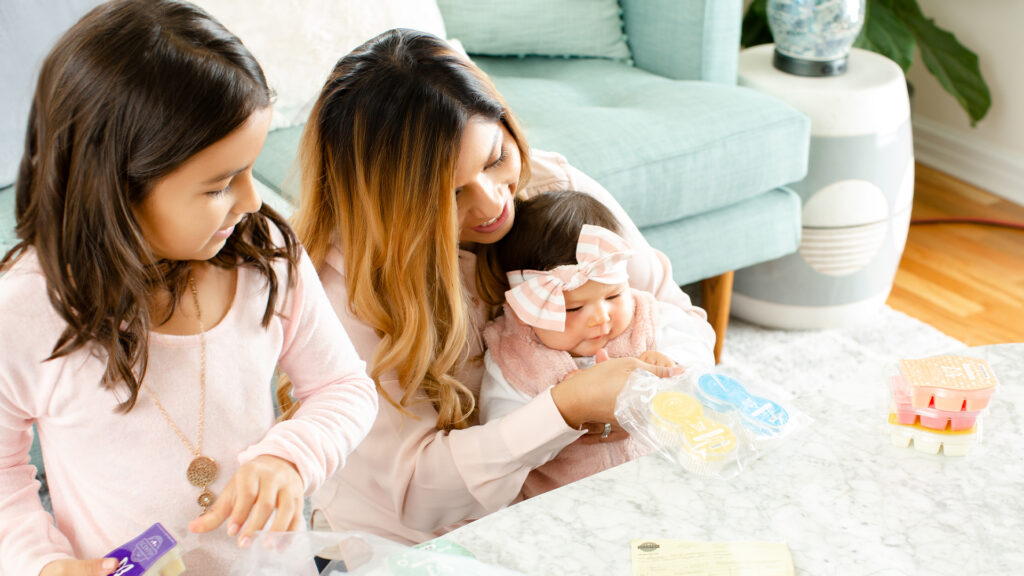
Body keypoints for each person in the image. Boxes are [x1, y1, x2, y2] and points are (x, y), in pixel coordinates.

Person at [292, 28, 716, 544]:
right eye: (449, 195)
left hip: (587, 499)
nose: (495, 204)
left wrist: (672, 379)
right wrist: (566, 410)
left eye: (495, 159)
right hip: (428, 542)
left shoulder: (554, 190)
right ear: (389, 207)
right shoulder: (345, 294)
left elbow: (672, 308)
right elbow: (417, 499)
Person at [0, 2, 378, 575]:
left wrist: (291, 459)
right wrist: (43, 564)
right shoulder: (27, 312)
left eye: (249, 170)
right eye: (220, 185)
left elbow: (345, 386)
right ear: (118, 185)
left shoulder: (264, 258)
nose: (253, 201)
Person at [478, 191, 716, 497]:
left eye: (614, 295)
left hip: (665, 474)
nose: (600, 318)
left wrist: (670, 368)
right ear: (527, 310)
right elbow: (508, 441)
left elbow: (701, 365)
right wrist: (562, 408)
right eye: (574, 309)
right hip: (570, 498)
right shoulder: (514, 359)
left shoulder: (648, 318)